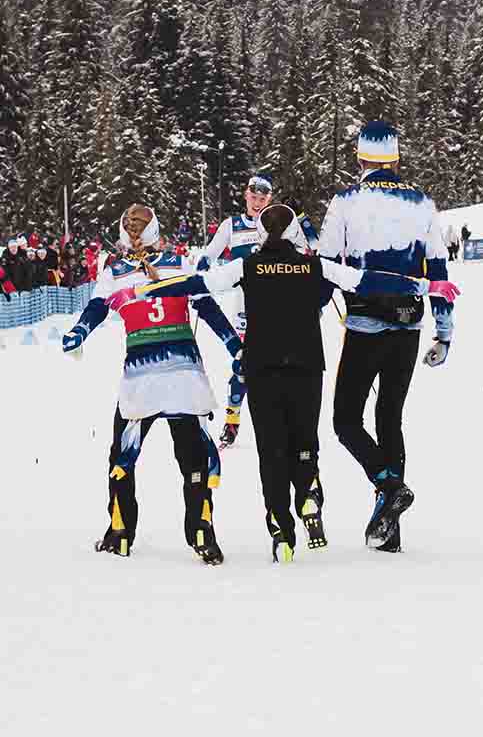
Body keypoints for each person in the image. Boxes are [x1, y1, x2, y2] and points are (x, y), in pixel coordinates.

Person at [106, 204, 460, 562]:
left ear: (261, 234)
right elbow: (367, 280)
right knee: (305, 441)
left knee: (271, 450)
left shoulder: (246, 266)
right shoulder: (315, 265)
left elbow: (195, 284)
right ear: (294, 234)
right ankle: (308, 489)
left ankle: (282, 533)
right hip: (307, 366)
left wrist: (141, 293)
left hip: (262, 366)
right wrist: (428, 285)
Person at [61, 204, 243, 565]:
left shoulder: (113, 269)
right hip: (183, 377)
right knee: (192, 457)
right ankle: (202, 531)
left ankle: (120, 532)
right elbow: (206, 307)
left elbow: (96, 307)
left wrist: (79, 332)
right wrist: (234, 346)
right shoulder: (179, 261)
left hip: (141, 380)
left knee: (122, 456)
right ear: (156, 232)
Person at [318, 120, 458, 554]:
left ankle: (388, 484)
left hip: (363, 325)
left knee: (346, 421)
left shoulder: (345, 201)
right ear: (395, 158)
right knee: (390, 418)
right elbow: (438, 271)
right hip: (409, 325)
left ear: (361, 158)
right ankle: (389, 531)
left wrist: (306, 316)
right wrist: (445, 333)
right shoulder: (422, 204)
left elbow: (324, 264)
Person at [196, 172, 307, 449]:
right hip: (244, 307)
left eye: (263, 198)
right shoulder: (231, 225)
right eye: (254, 197)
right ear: (246, 195)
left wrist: (301, 219)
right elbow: (210, 253)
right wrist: (202, 267)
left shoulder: (279, 221)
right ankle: (232, 421)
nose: (258, 203)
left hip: (279, 307)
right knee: (243, 367)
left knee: (282, 366)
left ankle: (284, 422)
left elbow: (308, 251)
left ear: (270, 198)